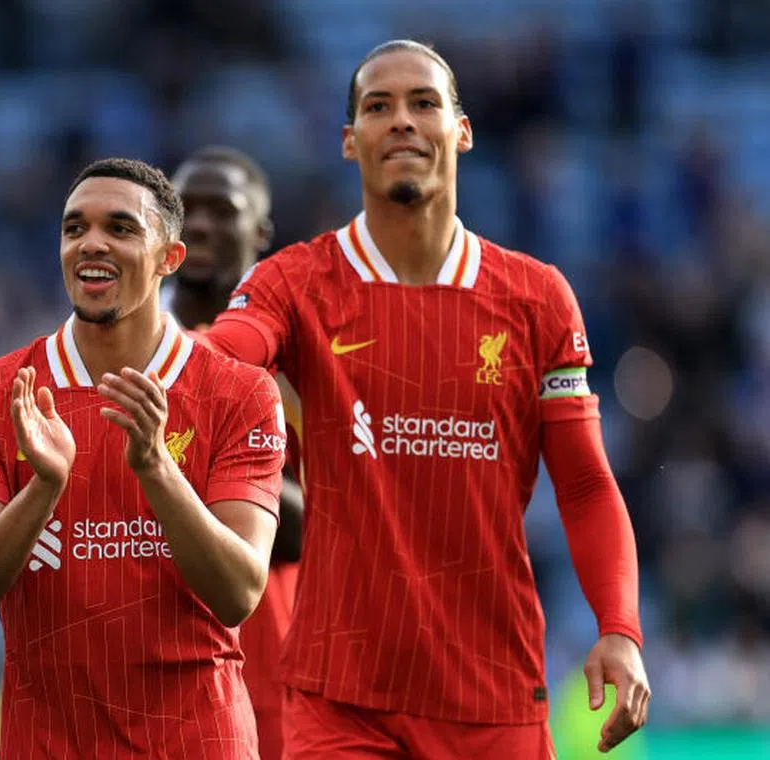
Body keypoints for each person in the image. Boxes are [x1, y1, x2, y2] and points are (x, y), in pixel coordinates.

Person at [201, 40, 651, 758]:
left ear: (462, 130)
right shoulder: (296, 281)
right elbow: (225, 354)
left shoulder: (538, 299)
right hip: (340, 700)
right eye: (378, 107)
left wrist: (620, 628)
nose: (402, 120)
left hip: (492, 695)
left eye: (423, 103)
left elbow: (587, 483)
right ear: (350, 142)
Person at [0, 157, 288, 759]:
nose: (91, 243)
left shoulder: (240, 391)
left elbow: (239, 591)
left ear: (170, 258)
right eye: (75, 229)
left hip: (197, 744)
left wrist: (155, 467)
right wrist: (41, 491)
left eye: (120, 228)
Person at [170, 145, 302, 760]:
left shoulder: (299, 358)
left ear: (261, 231)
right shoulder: (105, 345)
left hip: (269, 651)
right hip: (142, 640)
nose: (197, 223)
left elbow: (340, 516)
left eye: (220, 210)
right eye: (183, 208)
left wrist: (184, 477)